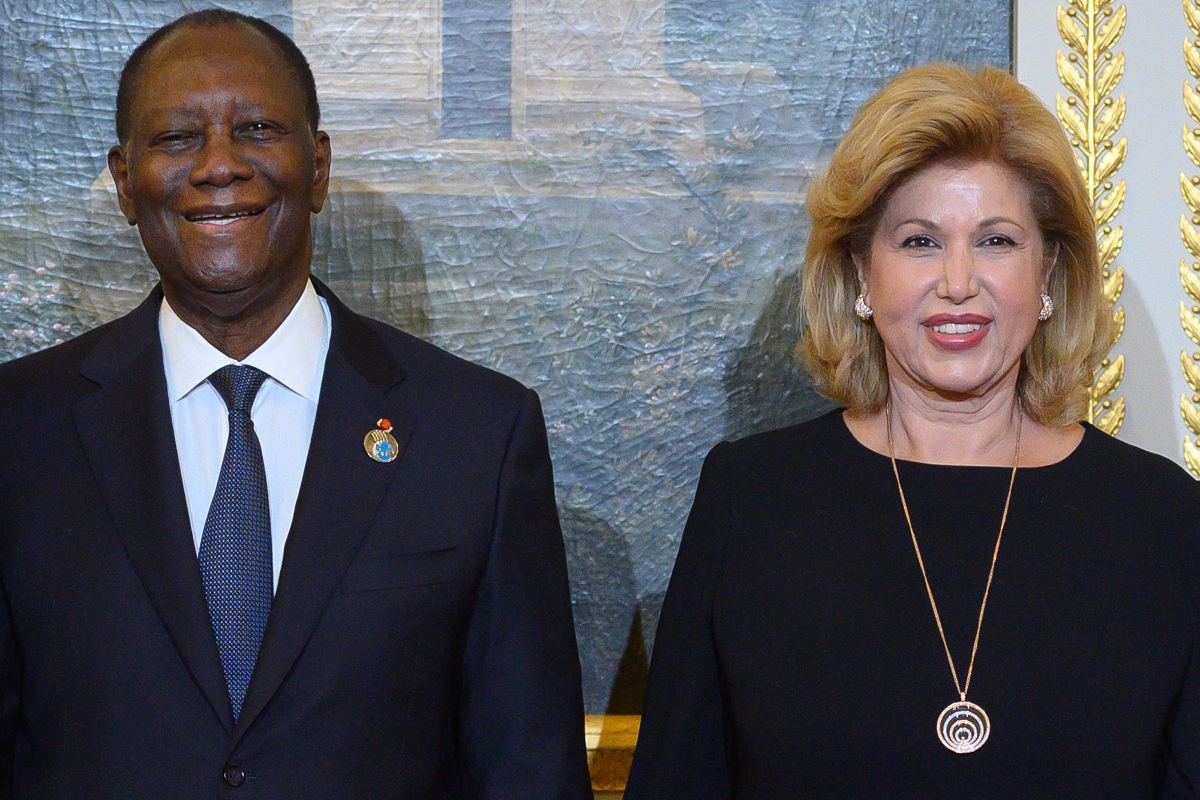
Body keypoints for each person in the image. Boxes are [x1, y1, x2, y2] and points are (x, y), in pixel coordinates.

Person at [0, 10, 592, 798]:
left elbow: (528, 769)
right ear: (122, 180)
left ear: (316, 168)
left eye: (255, 128)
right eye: (177, 138)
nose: (218, 166)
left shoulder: (476, 433)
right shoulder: (18, 432)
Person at [625, 63, 1200, 798]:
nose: (958, 282)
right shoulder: (752, 501)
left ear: (1049, 272)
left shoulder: (1162, 519)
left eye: (996, 242)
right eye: (920, 242)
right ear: (861, 272)